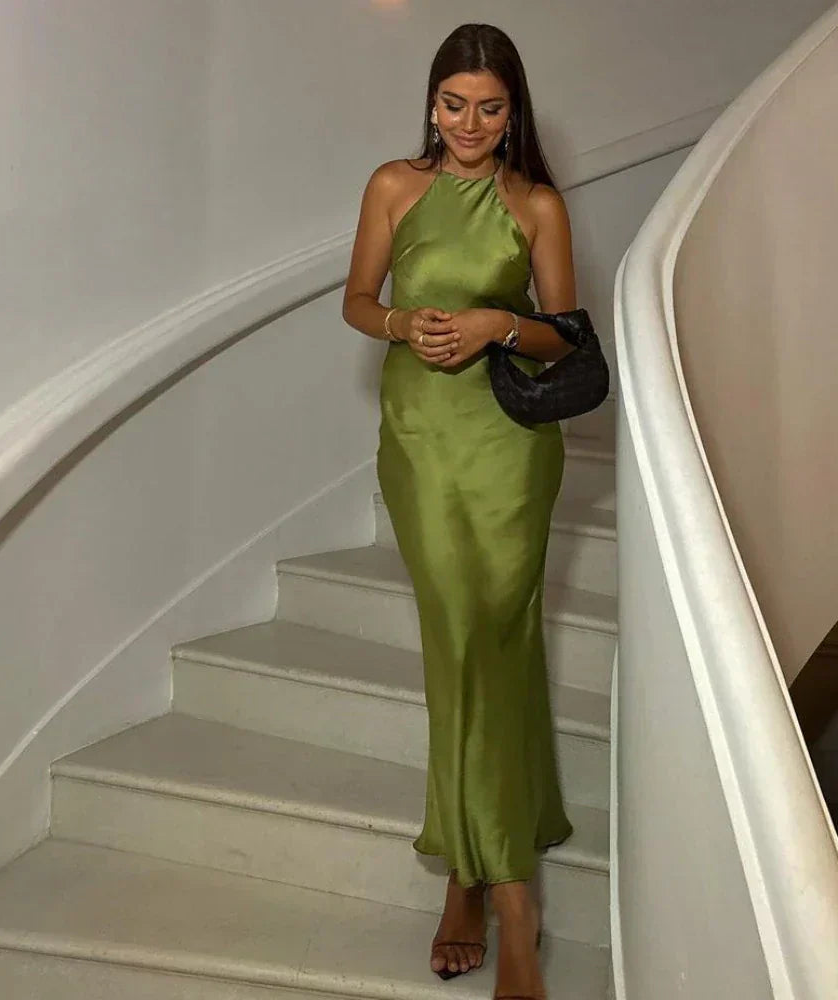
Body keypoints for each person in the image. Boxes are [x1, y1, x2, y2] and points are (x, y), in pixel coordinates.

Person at [342, 22, 578, 1000]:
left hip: (510, 449)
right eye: (451, 103)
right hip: (422, 442)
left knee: (501, 638)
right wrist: (400, 320)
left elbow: (567, 337)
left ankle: (488, 886)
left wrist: (496, 324)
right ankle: (489, 883)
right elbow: (357, 298)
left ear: (511, 110)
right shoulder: (394, 185)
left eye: (487, 107)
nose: (468, 123)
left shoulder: (536, 204)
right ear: (430, 101)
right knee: (460, 641)